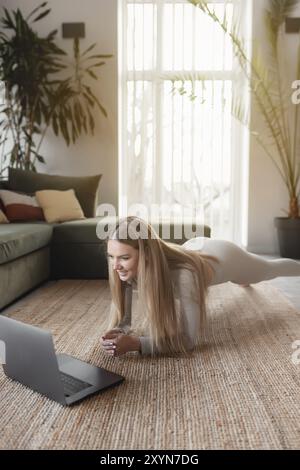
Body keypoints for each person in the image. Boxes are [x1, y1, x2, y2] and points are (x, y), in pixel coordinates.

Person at [101, 216, 300, 357]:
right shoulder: (124, 269)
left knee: (268, 270)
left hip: (227, 258)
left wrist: (136, 344)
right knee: (246, 278)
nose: (115, 265)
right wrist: (120, 329)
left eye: (124, 258)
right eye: (111, 256)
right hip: (195, 248)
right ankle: (243, 279)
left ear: (146, 255)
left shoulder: (185, 277)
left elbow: (188, 341)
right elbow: (125, 321)